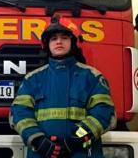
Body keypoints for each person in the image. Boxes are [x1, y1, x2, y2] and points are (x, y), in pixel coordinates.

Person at [9, 15, 116, 158]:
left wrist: (76, 138)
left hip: (82, 152)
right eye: (53, 38)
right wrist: (38, 140)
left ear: (73, 42)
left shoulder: (92, 77)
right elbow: (19, 113)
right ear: (46, 44)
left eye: (64, 37)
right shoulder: (32, 79)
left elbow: (103, 112)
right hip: (42, 153)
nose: (59, 42)